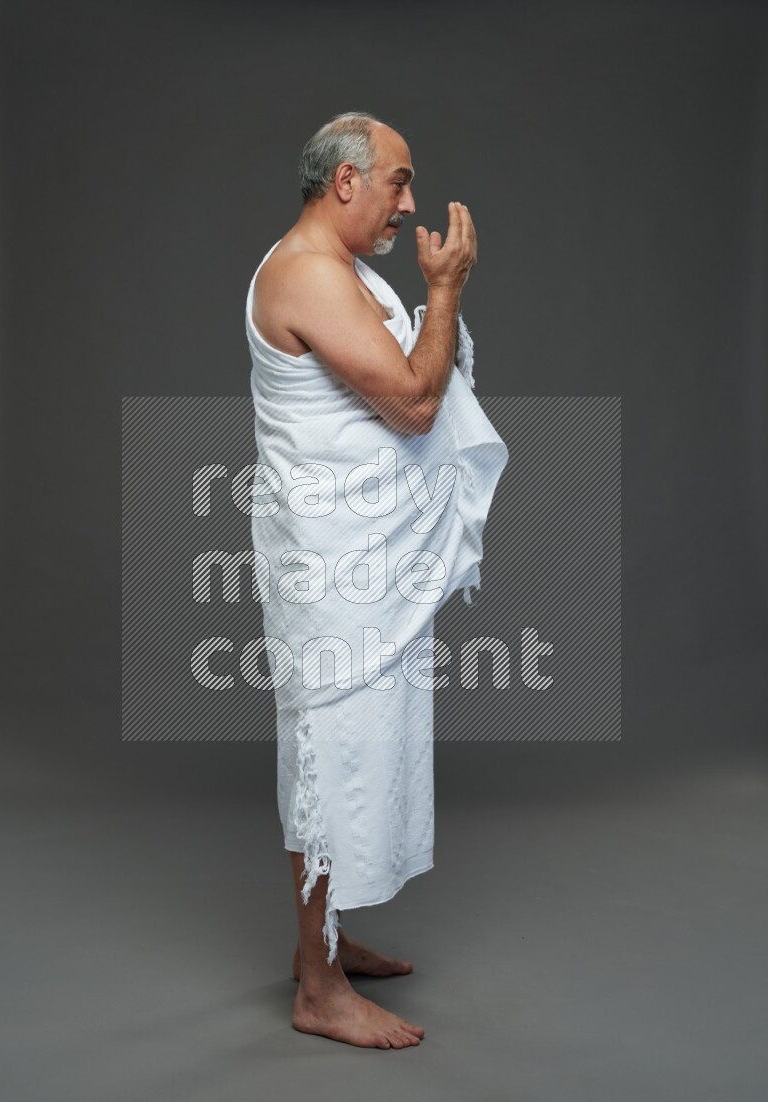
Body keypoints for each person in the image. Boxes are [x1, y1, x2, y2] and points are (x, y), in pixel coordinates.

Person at [246, 112, 507, 1049]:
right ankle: (318, 988)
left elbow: (402, 386)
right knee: (330, 753)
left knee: (355, 751)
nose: (408, 202)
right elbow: (414, 398)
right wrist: (444, 290)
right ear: (344, 182)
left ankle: (328, 940)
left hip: (358, 562)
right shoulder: (310, 274)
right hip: (334, 567)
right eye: (397, 182)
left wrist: (432, 299)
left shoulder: (342, 270)